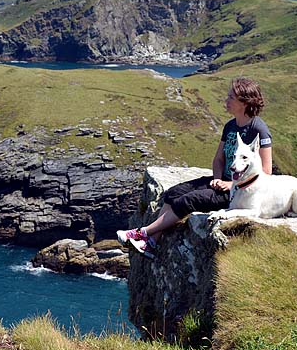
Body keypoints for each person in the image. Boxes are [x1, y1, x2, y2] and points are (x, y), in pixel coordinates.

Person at [117, 76, 273, 255]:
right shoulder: (230, 126)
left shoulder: (258, 129)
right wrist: (216, 179)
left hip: (240, 191)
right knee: (173, 193)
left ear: (244, 102)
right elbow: (218, 159)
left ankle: (142, 233)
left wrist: (231, 185)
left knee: (190, 200)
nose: (226, 100)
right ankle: (152, 241)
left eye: (231, 97)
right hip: (223, 181)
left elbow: (266, 173)